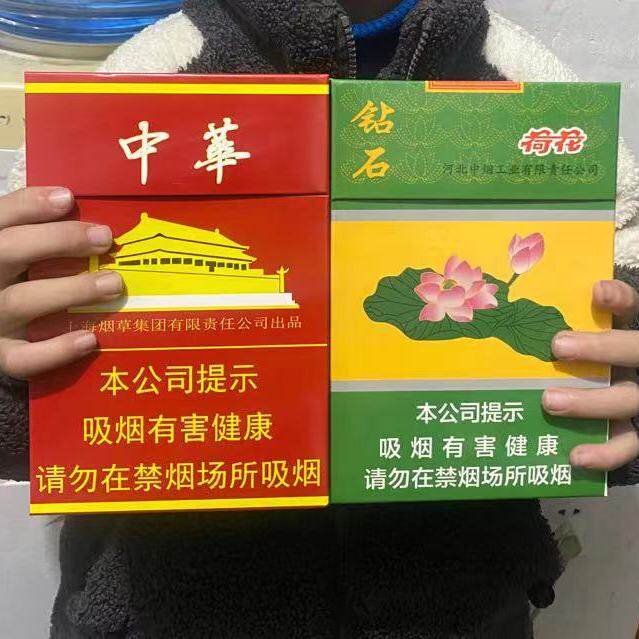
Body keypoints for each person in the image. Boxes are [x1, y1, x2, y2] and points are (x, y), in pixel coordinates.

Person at [2, 1, 639, 636]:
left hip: (461, 615)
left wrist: (623, 401)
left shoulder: (528, 81)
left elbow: (623, 336)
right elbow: (22, 440)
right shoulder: (147, 73)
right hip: (164, 617)